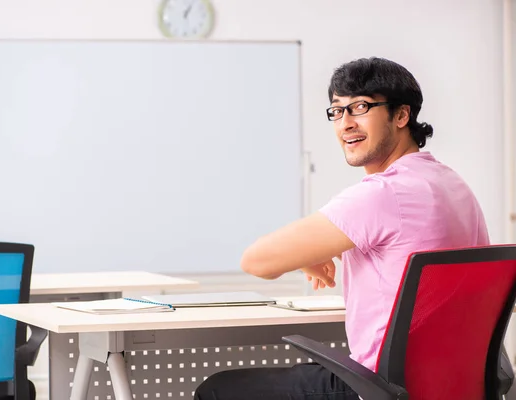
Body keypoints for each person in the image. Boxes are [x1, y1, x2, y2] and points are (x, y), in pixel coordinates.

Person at [193, 57, 489, 400]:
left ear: (402, 115)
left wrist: (303, 255)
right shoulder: (453, 186)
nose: (346, 123)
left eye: (360, 107)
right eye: (337, 111)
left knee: (216, 390)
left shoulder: (381, 194)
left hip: (381, 387)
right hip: (456, 384)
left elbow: (256, 261)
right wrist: (315, 251)